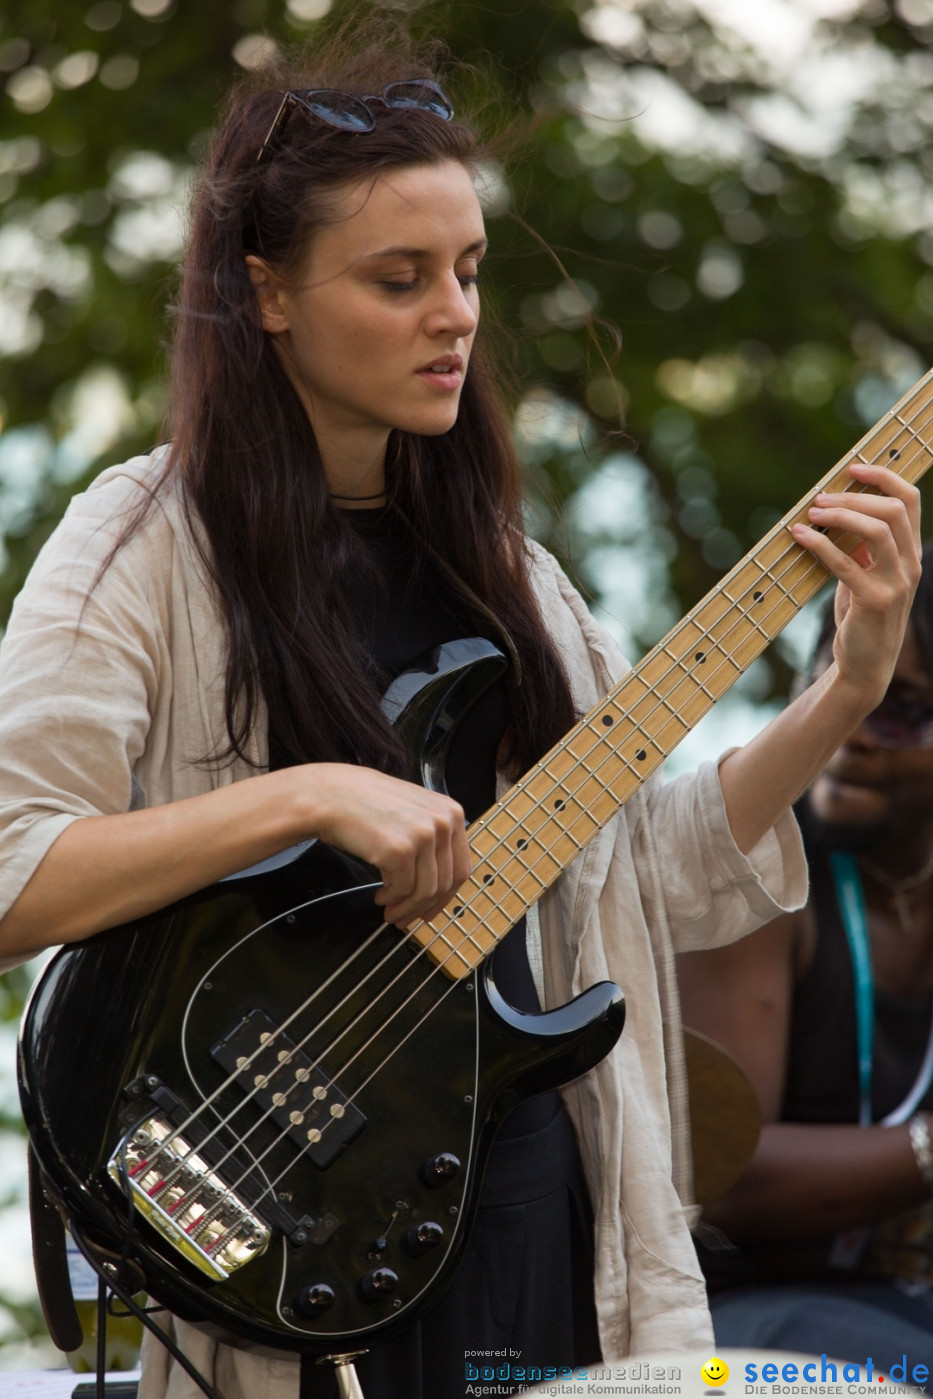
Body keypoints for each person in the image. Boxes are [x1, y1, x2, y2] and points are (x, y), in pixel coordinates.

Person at [0, 18, 921, 1399]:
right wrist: (312, 793)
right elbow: (16, 868)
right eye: (399, 276)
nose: (455, 313)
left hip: (532, 1198)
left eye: (469, 271)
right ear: (266, 293)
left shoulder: (514, 577)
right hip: (287, 1213)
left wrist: (841, 686)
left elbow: (637, 868)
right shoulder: (141, 542)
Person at [679, 546, 933, 1372]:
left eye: (899, 710)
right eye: (836, 681)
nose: (853, 731)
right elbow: (724, 1179)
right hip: (739, 1313)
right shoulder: (758, 865)